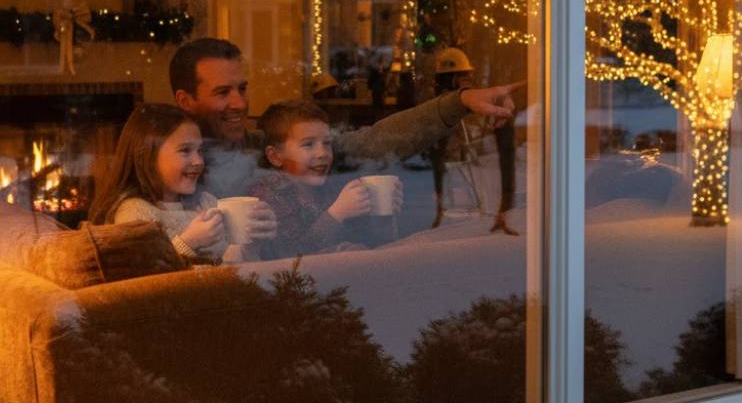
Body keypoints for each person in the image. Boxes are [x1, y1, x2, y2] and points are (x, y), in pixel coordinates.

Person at [169, 38, 520, 200]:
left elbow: (371, 143)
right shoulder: (164, 164)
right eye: (222, 92)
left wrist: (460, 101)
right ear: (185, 100)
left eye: (242, 89)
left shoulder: (266, 149)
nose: (239, 103)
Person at [89, 103, 277, 263]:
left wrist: (250, 244)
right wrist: (188, 243)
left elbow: (229, 270)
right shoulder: (133, 213)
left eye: (200, 151)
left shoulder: (206, 202)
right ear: (147, 156)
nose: (198, 161)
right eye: (185, 151)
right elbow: (143, 279)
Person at [245, 100, 403, 259]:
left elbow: (376, 249)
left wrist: (385, 215)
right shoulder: (268, 196)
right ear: (276, 156)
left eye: (327, 143)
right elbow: (291, 258)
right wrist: (336, 214)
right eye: (308, 144)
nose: (323, 153)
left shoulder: (333, 188)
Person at [433, 47, 518, 235]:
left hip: (478, 206)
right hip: (461, 208)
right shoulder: (441, 114)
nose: (467, 81)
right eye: (461, 77)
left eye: (467, 76)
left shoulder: (478, 111)